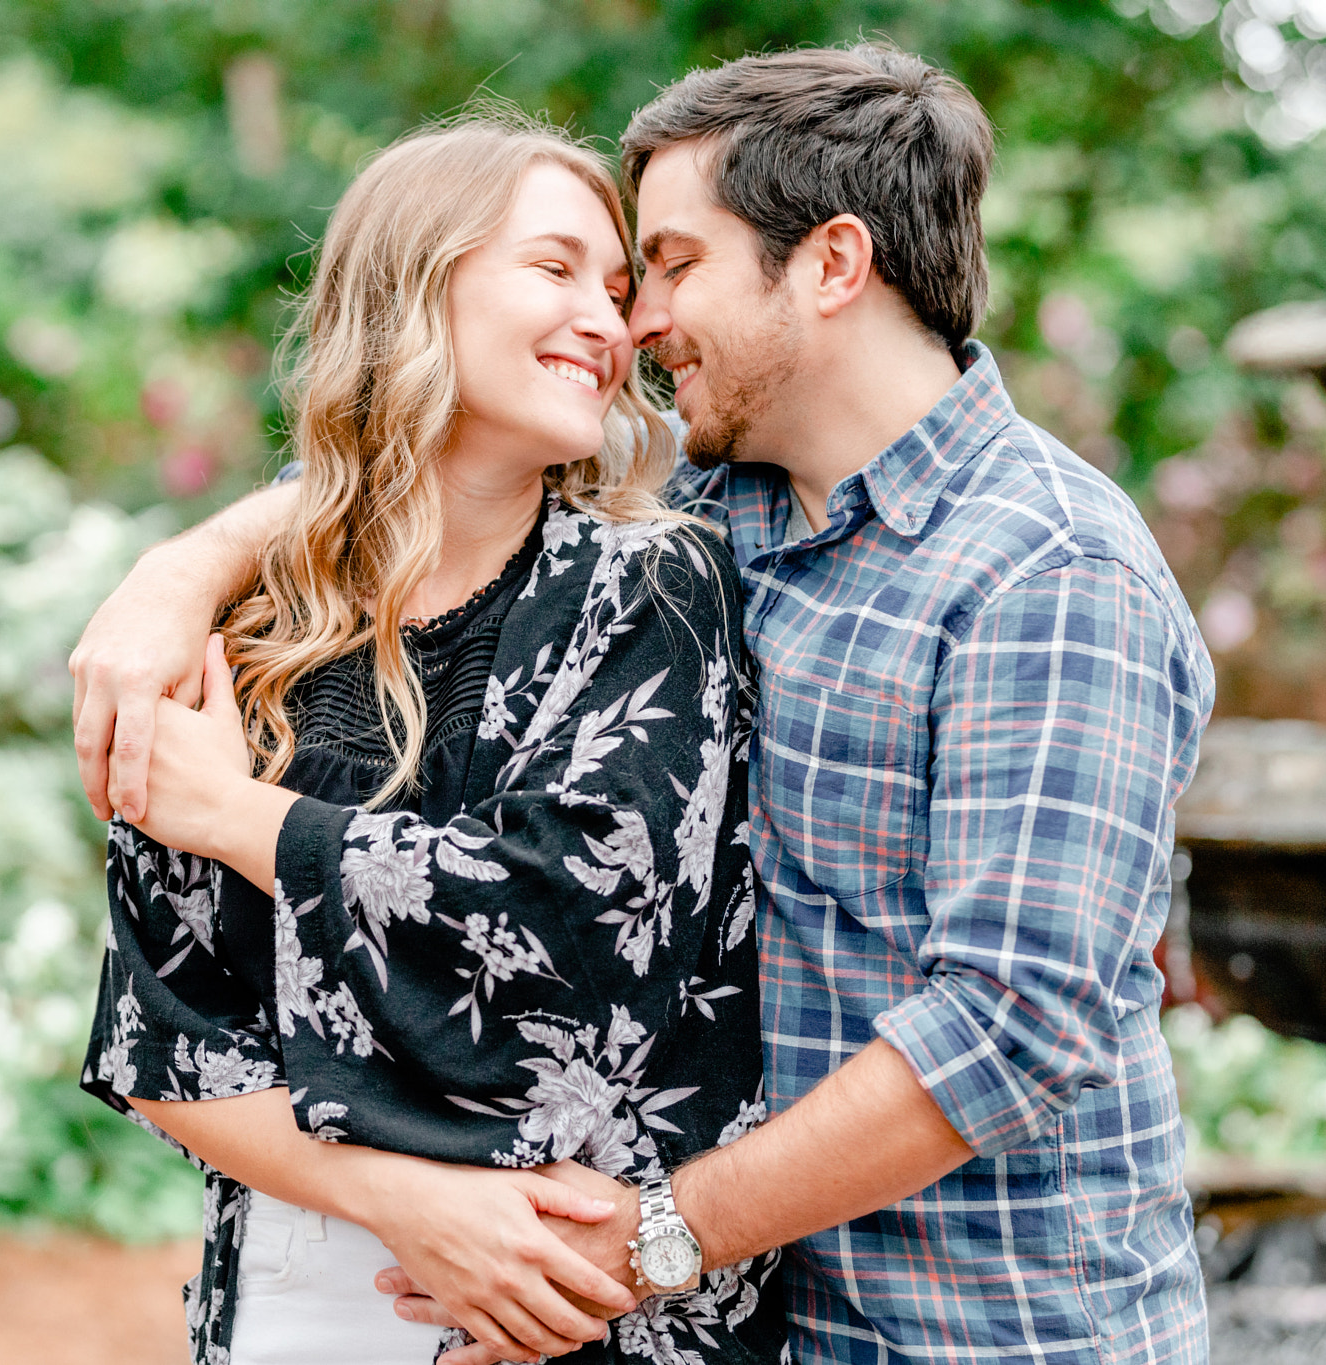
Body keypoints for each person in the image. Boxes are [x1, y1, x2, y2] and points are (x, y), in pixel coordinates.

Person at [73, 45, 1216, 1365]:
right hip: (758, 1312)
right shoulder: (716, 498)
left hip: (984, 1326)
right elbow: (425, 465)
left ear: (831, 266)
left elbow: (1010, 1030)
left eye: (667, 266)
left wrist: (652, 1237)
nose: (636, 324)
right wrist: (185, 568)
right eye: (604, 279)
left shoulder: (1045, 567)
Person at [78, 115, 785, 1365]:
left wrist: (236, 818)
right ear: (415, 281)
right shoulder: (244, 630)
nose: (612, 325)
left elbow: (571, 952)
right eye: (554, 268)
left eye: (618, 291)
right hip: (293, 1297)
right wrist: (401, 1199)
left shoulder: (650, 585)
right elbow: (162, 1030)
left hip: (575, 1302)